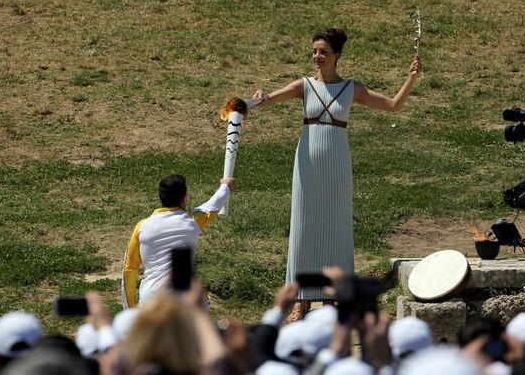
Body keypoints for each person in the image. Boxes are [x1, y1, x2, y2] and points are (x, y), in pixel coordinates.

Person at [251, 28, 422, 321]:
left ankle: (331, 298)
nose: (317, 57)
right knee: (303, 227)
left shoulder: (351, 89)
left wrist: (411, 78)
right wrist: (258, 97)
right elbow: (268, 100)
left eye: (323, 52)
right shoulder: (303, 85)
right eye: (314, 51)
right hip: (306, 164)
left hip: (337, 165)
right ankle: (300, 300)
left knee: (335, 227)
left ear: (337, 56)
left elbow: (393, 106)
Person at [122, 174, 235, 309]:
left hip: (150, 300)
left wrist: (130, 309)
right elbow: (212, 206)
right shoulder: (192, 221)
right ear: (184, 198)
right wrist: (225, 186)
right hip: (184, 299)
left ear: (160, 197)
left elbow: (129, 269)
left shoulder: (141, 228)